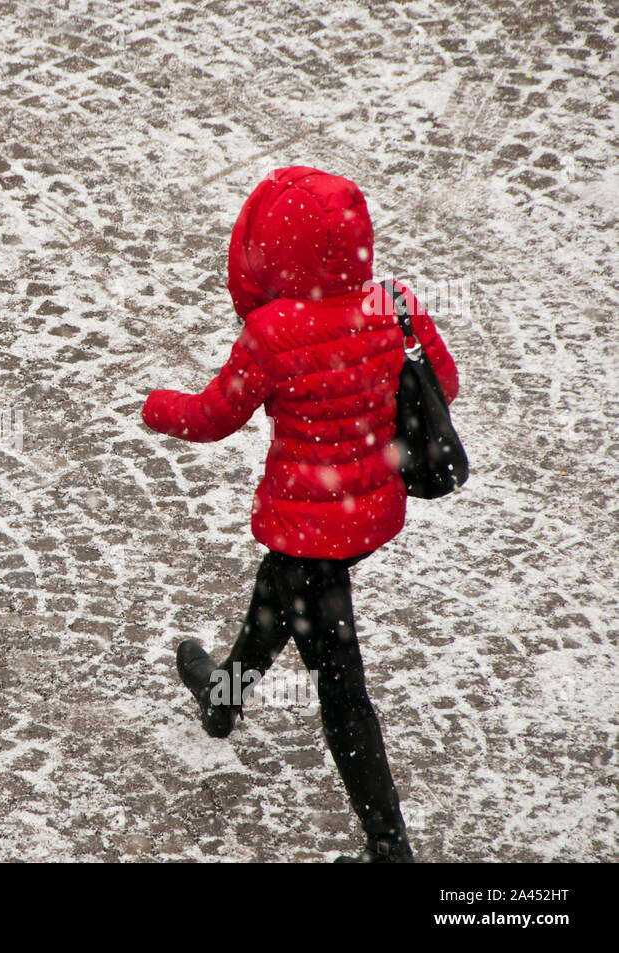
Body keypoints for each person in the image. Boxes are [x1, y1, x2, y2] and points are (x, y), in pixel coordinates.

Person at [140, 166, 459, 863]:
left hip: (310, 526)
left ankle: (388, 847)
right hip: (366, 516)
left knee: (342, 689)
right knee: (274, 596)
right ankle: (223, 698)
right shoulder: (395, 302)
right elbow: (446, 382)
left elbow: (214, 415)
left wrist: (156, 405)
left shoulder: (273, 332)